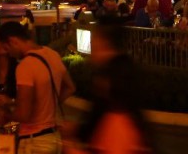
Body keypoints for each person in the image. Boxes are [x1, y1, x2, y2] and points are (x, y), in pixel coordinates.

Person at [63, 19, 153, 153]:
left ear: (104, 42)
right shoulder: (124, 70)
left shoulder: (112, 81)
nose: (91, 45)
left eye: (94, 40)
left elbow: (108, 134)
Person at [0, 19, 76, 154]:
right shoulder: (52, 54)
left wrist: (5, 115)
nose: (9, 54)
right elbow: (70, 87)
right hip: (53, 137)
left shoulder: (25, 65)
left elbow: (24, 115)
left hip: (34, 142)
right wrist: (50, 104)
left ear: (13, 41)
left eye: (7, 48)